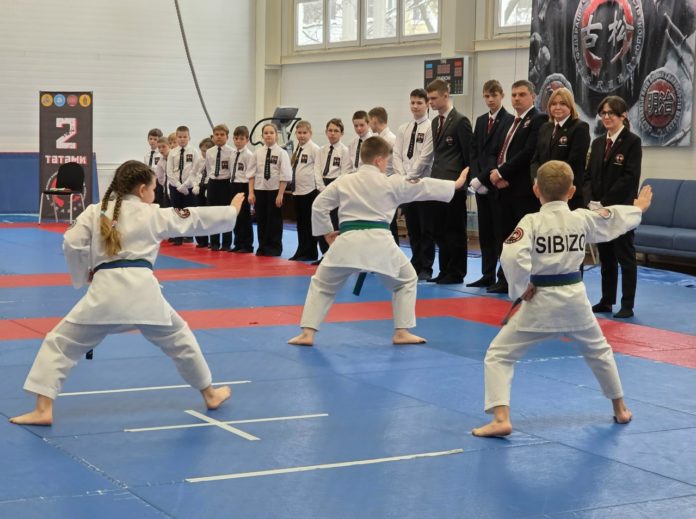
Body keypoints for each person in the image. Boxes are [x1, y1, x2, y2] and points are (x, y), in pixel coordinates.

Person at [9, 160, 245, 426]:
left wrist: (85, 272)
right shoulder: (153, 214)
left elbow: (71, 243)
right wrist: (231, 212)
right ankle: (210, 394)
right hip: (145, 297)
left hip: (104, 296)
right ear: (142, 190)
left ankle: (43, 409)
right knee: (181, 341)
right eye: (153, 189)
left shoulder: (95, 211)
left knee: (59, 344)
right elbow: (193, 218)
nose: (154, 195)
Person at [471, 160, 652, 438]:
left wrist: (522, 286)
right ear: (572, 191)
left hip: (540, 302)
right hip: (575, 301)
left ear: (535, 190)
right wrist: (637, 209)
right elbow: (611, 217)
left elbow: (511, 255)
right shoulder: (581, 218)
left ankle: (501, 418)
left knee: (499, 354)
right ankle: (621, 408)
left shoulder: (531, 221)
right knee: (599, 352)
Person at [287, 136, 468, 347]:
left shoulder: (344, 180)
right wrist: (455, 184)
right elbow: (423, 186)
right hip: (380, 243)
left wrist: (327, 233)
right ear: (379, 160)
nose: (387, 165)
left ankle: (307, 333)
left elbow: (319, 206)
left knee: (322, 285)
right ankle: (401, 332)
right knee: (406, 280)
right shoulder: (390, 182)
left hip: (346, 243)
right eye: (387, 160)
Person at [584, 96, 643, 318]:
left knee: (625, 257)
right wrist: (591, 200)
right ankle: (607, 300)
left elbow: (629, 177)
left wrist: (605, 202)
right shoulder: (598, 143)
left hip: (620, 210)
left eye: (611, 113)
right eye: (604, 113)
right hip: (598, 210)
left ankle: (627, 304)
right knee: (606, 257)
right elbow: (588, 175)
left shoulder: (632, 142)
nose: (607, 117)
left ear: (623, 115)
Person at [487, 80, 547, 294]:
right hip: (503, 188)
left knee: (522, 239)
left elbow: (529, 152)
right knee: (504, 236)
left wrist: (503, 173)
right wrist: (495, 173)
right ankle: (504, 279)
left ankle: (524, 282)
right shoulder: (511, 122)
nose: (517, 99)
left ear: (533, 96)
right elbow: (496, 150)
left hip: (522, 190)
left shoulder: (538, 119)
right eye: (513, 95)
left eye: (522, 94)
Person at [467, 80, 515, 289]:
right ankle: (487, 274)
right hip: (480, 185)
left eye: (494, 95)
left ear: (501, 95)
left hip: (496, 183)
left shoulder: (509, 120)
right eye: (487, 96)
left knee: (500, 233)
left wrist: (484, 179)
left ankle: (503, 275)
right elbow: (474, 151)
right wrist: (476, 179)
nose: (490, 100)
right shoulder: (480, 121)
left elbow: (499, 154)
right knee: (484, 232)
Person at [425, 78, 473, 284]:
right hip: (438, 184)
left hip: (455, 184)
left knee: (455, 230)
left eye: (434, 98)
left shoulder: (461, 121)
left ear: (446, 95)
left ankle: (456, 272)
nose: (430, 102)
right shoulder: (435, 122)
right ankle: (444, 269)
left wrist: (465, 182)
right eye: (429, 99)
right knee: (440, 230)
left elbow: (469, 155)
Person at [392, 88, 435, 281]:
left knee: (426, 227)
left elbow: (426, 157)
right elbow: (397, 154)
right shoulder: (403, 128)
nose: (415, 106)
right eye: (412, 102)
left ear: (427, 104)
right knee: (412, 227)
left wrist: (410, 177)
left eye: (419, 103)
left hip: (422, 182)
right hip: (406, 184)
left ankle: (426, 266)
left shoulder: (431, 127)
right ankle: (416, 262)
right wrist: (402, 178)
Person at [530, 87, 590, 211]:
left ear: (570, 106)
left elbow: (574, 162)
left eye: (562, 103)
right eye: (553, 104)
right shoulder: (545, 127)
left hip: (567, 194)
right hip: (544, 192)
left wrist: (551, 183)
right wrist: (537, 180)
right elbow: (535, 159)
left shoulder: (580, 127)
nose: (557, 107)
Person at [248, 123, 292, 257]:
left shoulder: (282, 153)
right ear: (262, 136)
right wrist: (251, 192)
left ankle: (274, 248)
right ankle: (262, 247)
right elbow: (251, 174)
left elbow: (285, 175)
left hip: (275, 190)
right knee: (261, 219)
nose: (268, 135)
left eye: (271, 133)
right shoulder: (257, 153)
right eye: (266, 133)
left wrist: (280, 194)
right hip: (260, 189)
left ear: (276, 135)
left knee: (274, 221)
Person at [313, 118, 352, 263]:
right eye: (330, 130)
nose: (332, 133)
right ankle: (324, 254)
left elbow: (345, 172)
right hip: (322, 185)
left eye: (336, 131)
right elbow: (317, 170)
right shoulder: (321, 150)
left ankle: (335, 255)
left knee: (334, 222)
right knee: (321, 222)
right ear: (326, 132)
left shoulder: (345, 151)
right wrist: (322, 188)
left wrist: (332, 189)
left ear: (342, 133)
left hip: (336, 186)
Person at [289, 120, 321, 261]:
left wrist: (318, 188)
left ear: (310, 133)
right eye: (299, 133)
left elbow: (318, 169)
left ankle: (311, 251)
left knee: (308, 223)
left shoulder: (314, 149)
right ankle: (301, 249)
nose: (301, 135)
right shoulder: (298, 148)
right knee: (300, 223)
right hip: (297, 191)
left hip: (309, 191)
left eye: (304, 133)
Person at [166, 126, 203, 246]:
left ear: (189, 137)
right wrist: (178, 185)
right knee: (176, 211)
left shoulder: (194, 151)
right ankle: (178, 237)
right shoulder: (172, 152)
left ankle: (189, 235)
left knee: (189, 211)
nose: (182, 139)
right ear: (176, 138)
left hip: (189, 187)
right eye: (180, 137)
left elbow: (195, 170)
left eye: (185, 137)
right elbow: (169, 172)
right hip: (175, 186)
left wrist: (186, 185)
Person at [205, 125, 236, 251]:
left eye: (222, 135)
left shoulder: (231, 151)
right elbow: (208, 169)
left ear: (227, 137)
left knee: (226, 214)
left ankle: (226, 243)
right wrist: (209, 182)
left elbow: (232, 169)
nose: (219, 137)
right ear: (213, 136)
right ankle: (214, 242)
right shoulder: (209, 152)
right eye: (216, 134)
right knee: (213, 214)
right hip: (213, 183)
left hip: (226, 183)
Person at [229, 125, 256, 253]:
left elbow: (251, 174)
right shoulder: (232, 153)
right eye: (236, 138)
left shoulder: (249, 155)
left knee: (245, 216)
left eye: (241, 139)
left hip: (244, 185)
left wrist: (250, 192)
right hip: (233, 184)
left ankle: (247, 245)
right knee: (235, 215)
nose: (238, 141)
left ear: (247, 140)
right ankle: (238, 243)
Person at [195, 137, 214, 249]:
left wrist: (210, 186)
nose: (204, 153)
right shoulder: (199, 160)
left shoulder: (213, 161)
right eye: (202, 151)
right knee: (199, 215)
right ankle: (202, 240)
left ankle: (213, 241)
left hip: (209, 186)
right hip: (199, 187)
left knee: (209, 215)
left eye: (206, 151)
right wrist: (195, 185)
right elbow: (193, 173)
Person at [145, 128, 164, 204]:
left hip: (159, 181)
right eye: (150, 139)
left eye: (155, 139)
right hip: (149, 181)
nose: (152, 141)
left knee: (159, 202)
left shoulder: (161, 154)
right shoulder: (146, 155)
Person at [153, 136, 170, 208]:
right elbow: (160, 177)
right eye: (159, 147)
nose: (161, 149)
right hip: (166, 186)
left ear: (169, 146)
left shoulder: (175, 157)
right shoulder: (160, 161)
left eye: (163, 147)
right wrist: (166, 185)